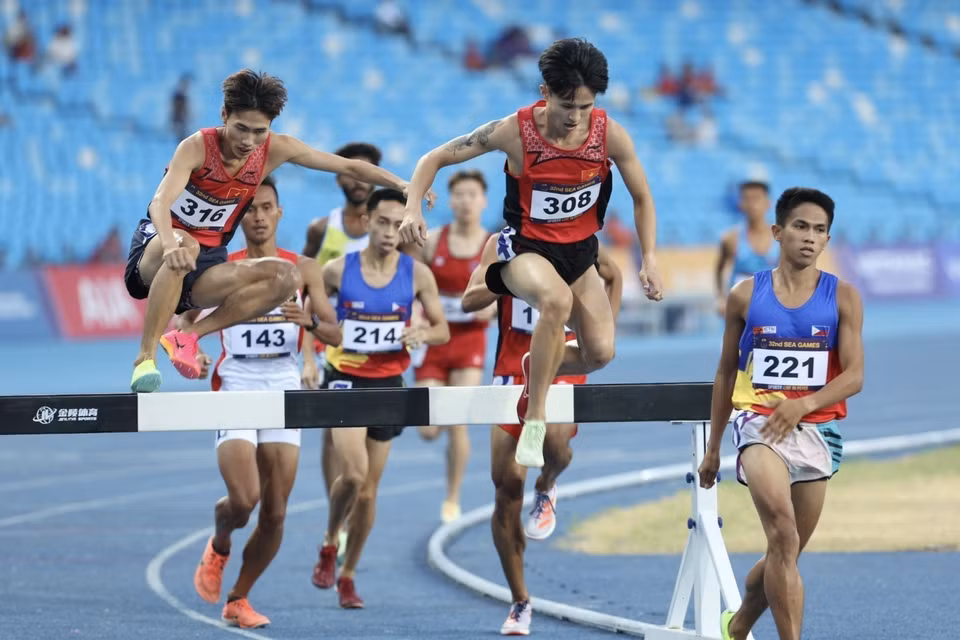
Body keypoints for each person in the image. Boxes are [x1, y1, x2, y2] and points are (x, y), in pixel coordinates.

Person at [399, 37, 663, 468]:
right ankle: (535, 414)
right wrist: (412, 206)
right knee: (554, 302)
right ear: (545, 93)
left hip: (579, 253)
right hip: (527, 249)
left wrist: (649, 257)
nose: (575, 118)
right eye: (566, 106)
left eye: (585, 107)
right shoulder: (514, 132)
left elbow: (643, 197)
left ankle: (534, 364)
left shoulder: (608, 134)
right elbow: (434, 158)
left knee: (600, 353)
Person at [124, 69, 416, 393]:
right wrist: (169, 244)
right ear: (224, 115)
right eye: (240, 129)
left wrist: (403, 184)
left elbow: (347, 166)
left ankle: (188, 336)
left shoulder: (276, 149)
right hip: (156, 252)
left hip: (205, 262)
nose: (248, 141)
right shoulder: (196, 147)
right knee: (186, 243)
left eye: (259, 131)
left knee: (287, 277)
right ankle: (145, 358)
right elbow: (160, 201)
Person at [698, 187, 864, 640]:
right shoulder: (745, 294)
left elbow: (855, 376)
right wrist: (713, 449)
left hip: (816, 431)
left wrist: (804, 405)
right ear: (778, 231)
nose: (810, 238)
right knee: (783, 536)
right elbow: (725, 372)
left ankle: (737, 626)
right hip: (758, 424)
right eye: (800, 227)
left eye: (820, 230)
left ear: (828, 238)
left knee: (783, 552)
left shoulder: (843, 297)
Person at [184, 177, 342, 628]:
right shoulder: (223, 268)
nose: (257, 216)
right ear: (239, 216)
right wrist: (193, 353)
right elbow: (182, 323)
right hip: (236, 382)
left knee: (274, 512)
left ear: (279, 213)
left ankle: (239, 597)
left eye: (266, 208)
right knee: (244, 500)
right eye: (249, 209)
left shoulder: (304, 269)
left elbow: (335, 334)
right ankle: (221, 535)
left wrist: (309, 320)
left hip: (283, 385)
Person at [461, 232, 622, 635]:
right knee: (506, 489)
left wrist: (600, 335)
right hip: (511, 370)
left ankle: (548, 484)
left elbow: (614, 275)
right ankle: (520, 600)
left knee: (556, 439)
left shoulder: (580, 240)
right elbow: (469, 300)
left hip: (561, 363)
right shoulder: (500, 244)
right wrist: (505, 279)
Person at [311, 188, 449, 608]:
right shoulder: (337, 271)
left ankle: (348, 575)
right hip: (345, 381)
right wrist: (308, 355)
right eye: (382, 222)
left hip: (389, 385)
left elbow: (442, 329)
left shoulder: (418, 274)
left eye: (397, 225)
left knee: (369, 493)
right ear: (367, 221)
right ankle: (331, 539)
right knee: (352, 474)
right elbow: (309, 314)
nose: (390, 232)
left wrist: (422, 332)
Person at [300, 142, 379, 553]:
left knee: (367, 455)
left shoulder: (390, 231)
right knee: (334, 439)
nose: (359, 181)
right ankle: (339, 518)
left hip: (380, 351)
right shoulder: (321, 229)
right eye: (352, 172)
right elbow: (304, 291)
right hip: (332, 350)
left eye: (368, 174)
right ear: (339, 178)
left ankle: (351, 511)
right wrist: (307, 354)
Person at [413, 169, 495, 523]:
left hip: (468, 342)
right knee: (429, 429)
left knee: (458, 422)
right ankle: (443, 419)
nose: (465, 201)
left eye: (472, 194)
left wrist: (486, 308)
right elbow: (412, 283)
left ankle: (452, 497)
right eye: (459, 194)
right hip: (434, 340)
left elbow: (498, 296)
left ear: (483, 200)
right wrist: (418, 315)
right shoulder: (433, 241)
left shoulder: (491, 244)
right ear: (451, 200)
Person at [715, 180, 778, 314]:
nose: (752, 205)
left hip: (772, 310)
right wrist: (721, 297)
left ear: (768, 202)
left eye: (756, 199)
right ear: (740, 204)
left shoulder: (781, 239)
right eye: (747, 199)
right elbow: (719, 269)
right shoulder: (731, 238)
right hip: (740, 312)